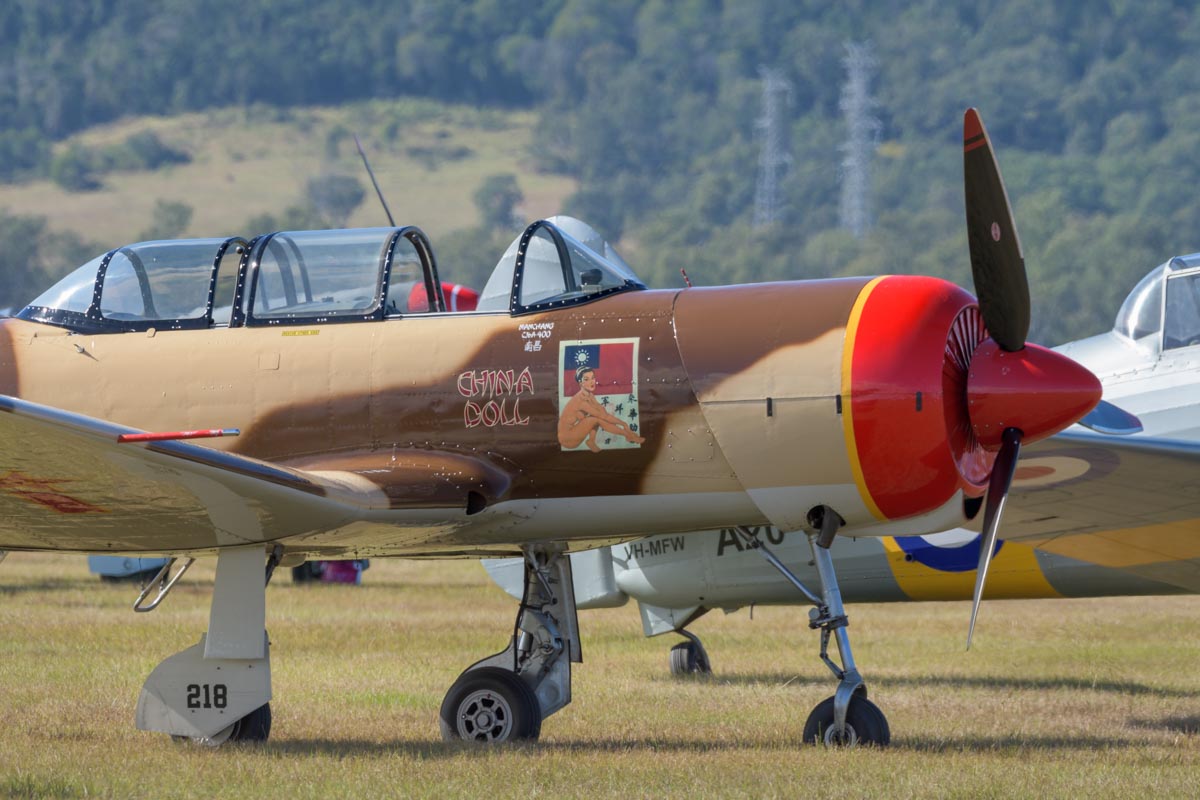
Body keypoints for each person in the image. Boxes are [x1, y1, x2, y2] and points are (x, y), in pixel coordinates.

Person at [557, 366, 645, 451]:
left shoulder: (590, 396)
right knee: (595, 419)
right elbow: (604, 417)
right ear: (580, 383)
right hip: (567, 439)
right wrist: (624, 425)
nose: (592, 382)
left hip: (576, 434)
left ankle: (591, 440)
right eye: (586, 379)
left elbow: (604, 414)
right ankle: (628, 436)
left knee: (595, 416)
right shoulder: (580, 401)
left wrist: (624, 424)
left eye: (593, 378)